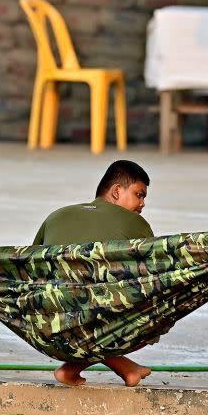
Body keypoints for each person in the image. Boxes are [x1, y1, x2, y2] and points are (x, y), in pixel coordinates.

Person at [33, 160, 155, 387]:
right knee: (154, 306)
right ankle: (119, 367)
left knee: (84, 299)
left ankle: (122, 368)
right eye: (139, 195)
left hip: (46, 323)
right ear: (117, 191)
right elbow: (152, 277)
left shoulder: (56, 216)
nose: (143, 203)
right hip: (92, 317)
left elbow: (32, 269)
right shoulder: (135, 223)